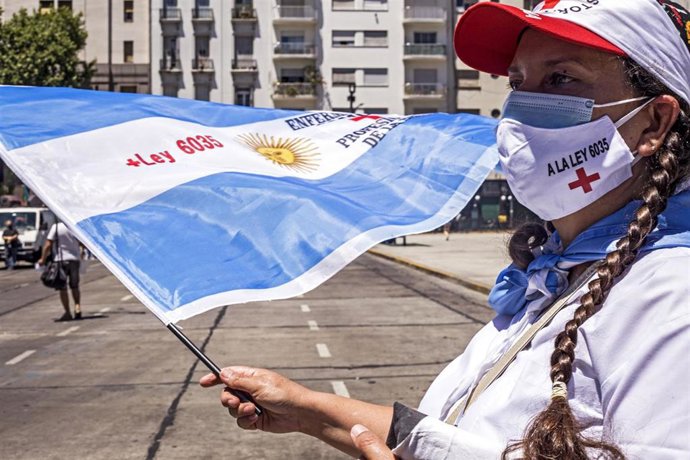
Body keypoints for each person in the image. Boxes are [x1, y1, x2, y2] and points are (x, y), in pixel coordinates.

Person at [200, 1, 690, 458]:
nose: (520, 109)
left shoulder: (672, 297)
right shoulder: (557, 278)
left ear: (653, 122)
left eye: (561, 78)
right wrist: (305, 408)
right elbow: (453, 437)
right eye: (518, 82)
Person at [39, 221, 84, 321]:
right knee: (75, 286)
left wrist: (42, 258)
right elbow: (82, 242)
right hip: (74, 259)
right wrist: (82, 252)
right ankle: (77, 307)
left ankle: (67, 312)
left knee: (62, 287)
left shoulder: (56, 227)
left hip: (60, 260)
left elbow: (48, 244)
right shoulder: (74, 226)